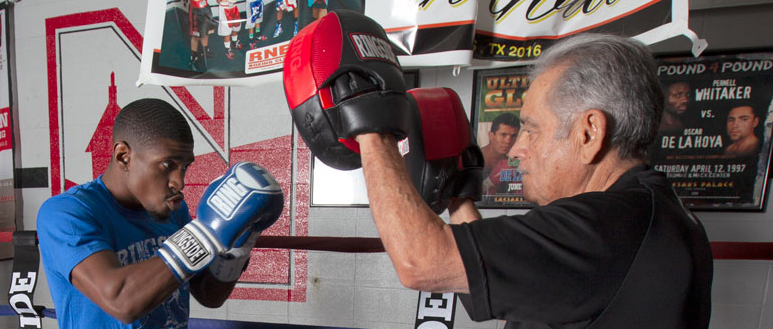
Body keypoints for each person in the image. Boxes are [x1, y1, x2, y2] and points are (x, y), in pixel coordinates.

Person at [352, 33, 713, 328]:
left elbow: (421, 264)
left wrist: (372, 129)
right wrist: (457, 196)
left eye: (530, 129)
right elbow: (467, 273)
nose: (516, 150)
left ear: (588, 132)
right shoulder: (646, 210)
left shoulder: (606, 228)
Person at [37, 99, 282, 328]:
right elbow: (120, 299)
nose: (180, 182)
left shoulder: (172, 211)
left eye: (185, 166)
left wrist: (240, 244)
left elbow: (209, 295)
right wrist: (206, 233)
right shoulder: (67, 213)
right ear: (124, 156)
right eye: (168, 165)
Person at [189, 0, 215, 71]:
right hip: (196, 8)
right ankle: (193, 59)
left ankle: (205, 52)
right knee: (196, 35)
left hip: (205, 7)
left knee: (206, 31)